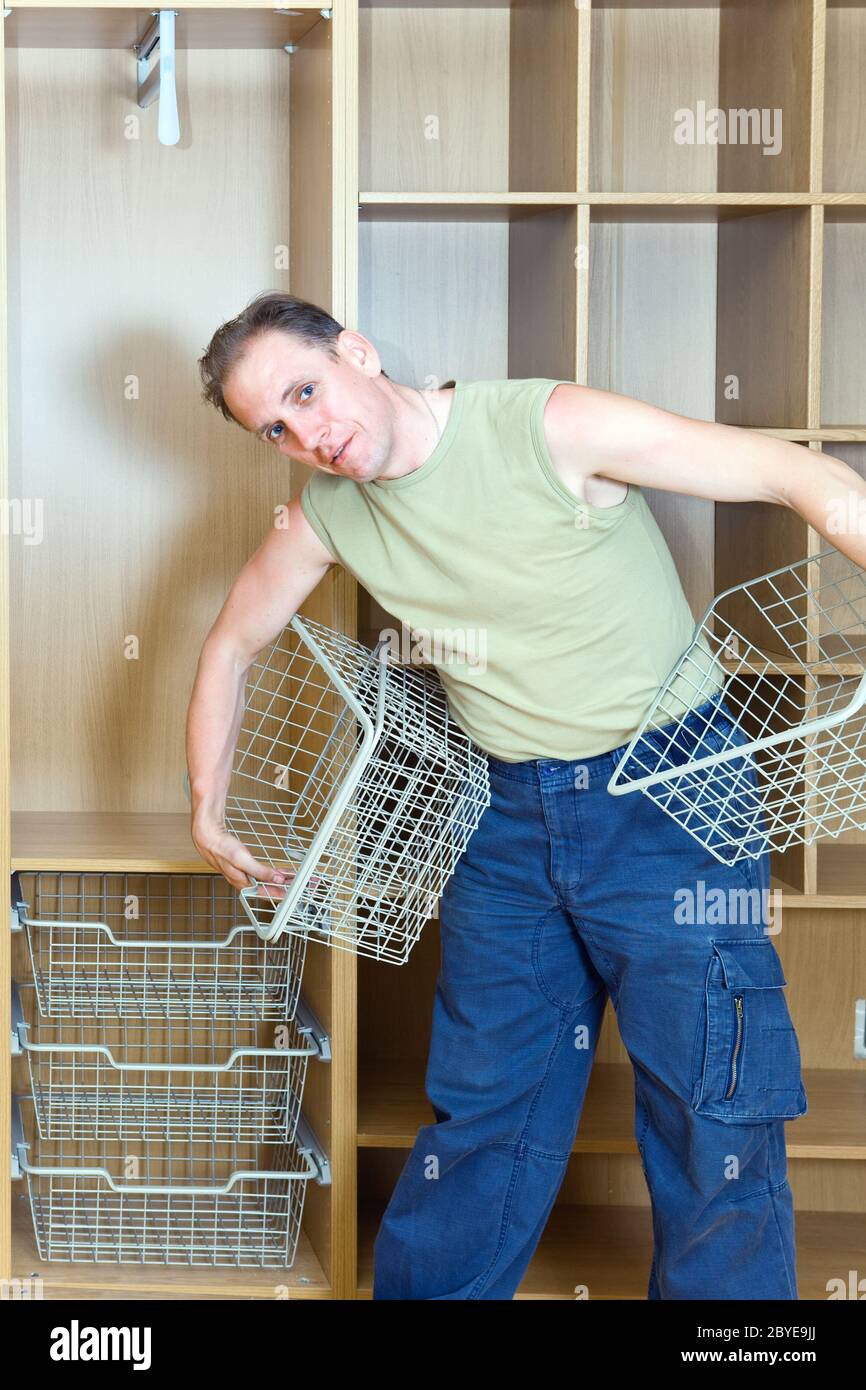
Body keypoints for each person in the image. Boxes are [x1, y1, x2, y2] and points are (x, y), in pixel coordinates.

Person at [187, 290, 864, 1300]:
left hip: (673, 799)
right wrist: (204, 802)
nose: (309, 434)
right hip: (504, 814)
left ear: (358, 352)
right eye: (275, 428)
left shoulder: (548, 425)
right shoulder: (326, 512)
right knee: (483, 1108)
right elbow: (233, 640)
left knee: (712, 1108)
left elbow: (790, 474)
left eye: (306, 390)